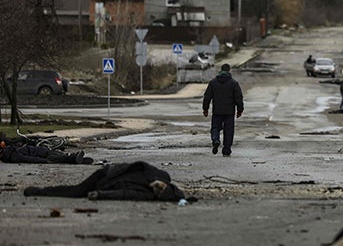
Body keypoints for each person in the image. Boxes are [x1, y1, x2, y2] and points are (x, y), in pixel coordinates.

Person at [23, 161, 185, 202]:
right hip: (107, 174)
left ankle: (39, 191)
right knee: (76, 191)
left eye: (159, 191)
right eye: (161, 187)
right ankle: (39, 191)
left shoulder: (148, 194)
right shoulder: (160, 174)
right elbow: (141, 164)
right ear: (166, 184)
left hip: (106, 182)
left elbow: (124, 194)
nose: (157, 188)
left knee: (77, 192)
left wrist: (100, 194)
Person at [202, 63, 244, 157]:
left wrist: (205, 109)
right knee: (228, 131)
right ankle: (226, 150)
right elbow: (238, 98)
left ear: (221, 70)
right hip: (229, 112)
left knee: (215, 128)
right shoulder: (234, 83)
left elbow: (207, 97)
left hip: (217, 111)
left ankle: (215, 139)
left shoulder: (213, 82)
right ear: (229, 71)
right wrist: (240, 110)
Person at [0, 140, 91, 164]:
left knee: (59, 156)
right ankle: (74, 158)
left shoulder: (9, 152)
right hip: (41, 155)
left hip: (41, 151)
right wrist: (43, 161)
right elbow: (28, 159)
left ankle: (75, 159)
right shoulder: (10, 155)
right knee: (57, 157)